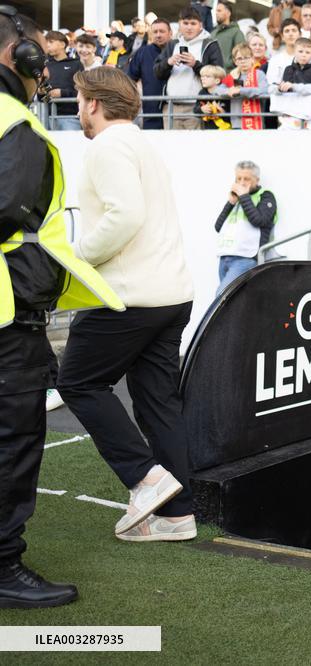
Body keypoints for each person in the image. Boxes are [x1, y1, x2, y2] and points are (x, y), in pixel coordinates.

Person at [0, 7, 122, 610]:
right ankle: (2, 566)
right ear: (19, 56)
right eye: (36, 52)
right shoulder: (14, 123)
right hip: (6, 318)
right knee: (12, 440)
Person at [59, 67, 197, 544]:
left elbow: (126, 215)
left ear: (94, 104)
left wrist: (76, 257)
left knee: (77, 382)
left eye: (79, 100)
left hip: (128, 296)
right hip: (170, 294)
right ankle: (177, 517)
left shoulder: (107, 145)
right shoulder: (142, 144)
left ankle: (145, 478)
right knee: (158, 404)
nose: (78, 109)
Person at [154, 6, 224, 130]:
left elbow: (219, 75)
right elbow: (157, 72)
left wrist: (195, 64)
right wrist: (168, 62)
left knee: (196, 143)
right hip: (171, 106)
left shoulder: (210, 44)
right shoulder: (172, 44)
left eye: (193, 23)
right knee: (171, 143)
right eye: (185, 23)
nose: (189, 27)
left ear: (200, 25)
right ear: (179, 24)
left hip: (198, 107)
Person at [215, 160, 277, 294]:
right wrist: (231, 203)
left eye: (246, 179)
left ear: (257, 180)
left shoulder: (265, 196)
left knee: (222, 295)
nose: (241, 182)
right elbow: (218, 226)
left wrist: (244, 196)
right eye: (238, 178)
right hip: (225, 257)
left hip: (246, 258)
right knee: (234, 300)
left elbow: (259, 220)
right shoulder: (237, 200)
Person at [273, 37, 311, 129]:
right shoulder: (288, 69)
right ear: (294, 52)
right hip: (290, 112)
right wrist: (279, 88)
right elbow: (274, 87)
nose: (303, 55)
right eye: (300, 51)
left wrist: (294, 87)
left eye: (307, 52)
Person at [127, 18, 171, 129]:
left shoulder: (177, 50)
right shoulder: (143, 52)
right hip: (151, 113)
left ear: (170, 33)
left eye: (162, 31)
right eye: (155, 32)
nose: (158, 35)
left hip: (175, 112)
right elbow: (129, 80)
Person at [43, 30, 82, 130]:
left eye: (51, 42)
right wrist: (41, 92)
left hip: (70, 117)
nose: (47, 45)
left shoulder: (76, 64)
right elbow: (40, 97)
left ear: (62, 44)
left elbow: (82, 92)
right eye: (46, 42)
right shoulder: (44, 65)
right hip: (46, 116)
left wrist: (62, 93)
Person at [224, 43, 269, 129]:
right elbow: (217, 90)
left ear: (252, 59)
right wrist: (229, 91)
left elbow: (264, 90)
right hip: (237, 123)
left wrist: (240, 91)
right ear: (235, 61)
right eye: (239, 58)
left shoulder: (259, 74)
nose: (243, 61)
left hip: (256, 123)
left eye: (246, 58)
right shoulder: (232, 76)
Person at [211, 0, 246, 72]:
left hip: (229, 74)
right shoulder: (213, 33)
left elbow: (242, 53)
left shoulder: (236, 32)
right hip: (212, 74)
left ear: (228, 13)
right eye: (216, 11)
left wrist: (228, 65)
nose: (216, 13)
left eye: (219, 11)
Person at [267, 18, 302, 87]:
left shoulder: (308, 58)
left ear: (300, 34)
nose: (290, 34)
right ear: (282, 36)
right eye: (287, 31)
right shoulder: (275, 60)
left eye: (294, 30)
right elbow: (271, 86)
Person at [197, 64, 231, 130]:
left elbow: (231, 114)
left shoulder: (225, 92)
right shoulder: (202, 92)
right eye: (202, 76)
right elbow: (195, 109)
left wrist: (222, 112)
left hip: (226, 129)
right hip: (208, 130)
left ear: (217, 81)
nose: (202, 79)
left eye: (207, 76)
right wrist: (201, 109)